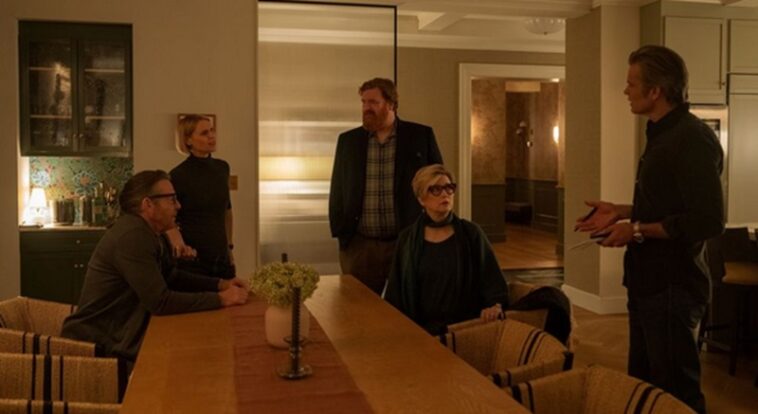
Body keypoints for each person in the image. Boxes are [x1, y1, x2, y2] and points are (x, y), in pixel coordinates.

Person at [575, 45, 724, 414]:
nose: (625, 90)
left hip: (673, 285)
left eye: (632, 83)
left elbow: (707, 219)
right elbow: (669, 206)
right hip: (647, 281)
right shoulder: (661, 133)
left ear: (655, 90)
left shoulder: (691, 138)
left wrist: (636, 229)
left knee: (675, 396)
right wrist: (620, 212)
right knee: (644, 388)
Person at [61, 170, 249, 370]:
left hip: (122, 335)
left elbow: (172, 277)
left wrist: (221, 284)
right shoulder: (133, 236)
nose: (178, 206)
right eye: (171, 199)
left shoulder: (150, 233)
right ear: (148, 204)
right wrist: (222, 299)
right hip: (99, 345)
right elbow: (161, 302)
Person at [329, 78, 443, 295]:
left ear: (391, 104)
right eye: (363, 102)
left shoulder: (420, 136)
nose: (366, 108)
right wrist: (341, 231)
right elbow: (338, 189)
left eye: (373, 102)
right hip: (360, 246)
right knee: (359, 306)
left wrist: (432, 228)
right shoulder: (348, 141)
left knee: (408, 304)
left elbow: (438, 184)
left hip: (407, 242)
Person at [385, 164, 507, 335]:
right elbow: (395, 291)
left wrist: (495, 305)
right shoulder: (408, 239)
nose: (445, 194)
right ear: (421, 199)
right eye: (435, 189)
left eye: (449, 188)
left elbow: (491, 277)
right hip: (420, 329)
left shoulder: (471, 233)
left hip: (464, 328)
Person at [167, 114, 235, 279]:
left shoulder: (222, 168)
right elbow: (169, 218)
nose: (211, 136)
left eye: (212, 130)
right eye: (204, 133)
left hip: (221, 255)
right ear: (188, 140)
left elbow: (227, 211)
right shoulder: (178, 175)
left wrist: (229, 247)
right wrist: (179, 244)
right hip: (193, 257)